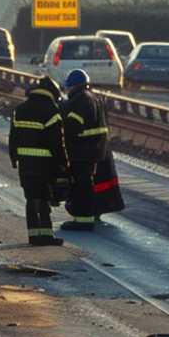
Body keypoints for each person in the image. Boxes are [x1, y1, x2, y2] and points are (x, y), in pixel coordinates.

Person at [8, 76, 68, 246]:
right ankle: (47, 236)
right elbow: (57, 143)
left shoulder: (20, 109)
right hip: (45, 164)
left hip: (25, 164)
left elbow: (13, 137)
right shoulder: (51, 112)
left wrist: (14, 158)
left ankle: (34, 235)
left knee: (31, 197)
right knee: (43, 198)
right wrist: (63, 164)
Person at [60, 69, 109, 231]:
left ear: (73, 86)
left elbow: (72, 126)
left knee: (82, 185)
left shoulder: (80, 101)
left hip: (82, 150)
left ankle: (83, 220)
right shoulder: (94, 98)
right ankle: (85, 216)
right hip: (94, 149)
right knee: (86, 183)